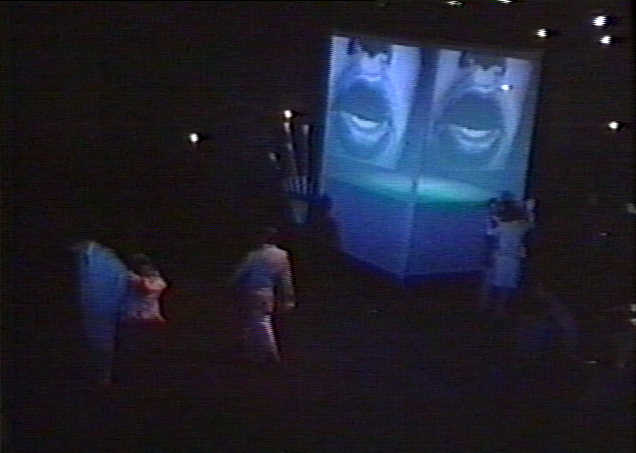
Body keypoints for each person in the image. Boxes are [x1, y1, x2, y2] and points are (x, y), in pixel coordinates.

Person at [229, 227, 296, 365]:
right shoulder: (282, 255)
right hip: (267, 293)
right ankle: (254, 354)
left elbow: (240, 273)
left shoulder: (254, 255)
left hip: (250, 291)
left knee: (258, 322)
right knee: (257, 321)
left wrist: (230, 285)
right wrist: (288, 298)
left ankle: (270, 353)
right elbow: (285, 279)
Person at [115, 253, 169, 385]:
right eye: (142, 267)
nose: (146, 269)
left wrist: (132, 276)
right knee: (126, 349)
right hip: (131, 320)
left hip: (148, 321)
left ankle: (141, 377)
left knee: (142, 350)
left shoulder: (158, 282)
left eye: (147, 267)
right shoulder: (131, 279)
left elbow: (146, 287)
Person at [483, 199, 534, 318]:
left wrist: (489, 215)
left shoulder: (503, 226)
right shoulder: (522, 226)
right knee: (506, 286)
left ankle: (493, 310)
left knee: (496, 283)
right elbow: (531, 224)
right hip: (513, 259)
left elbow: (490, 232)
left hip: (502, 258)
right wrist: (529, 209)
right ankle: (499, 310)